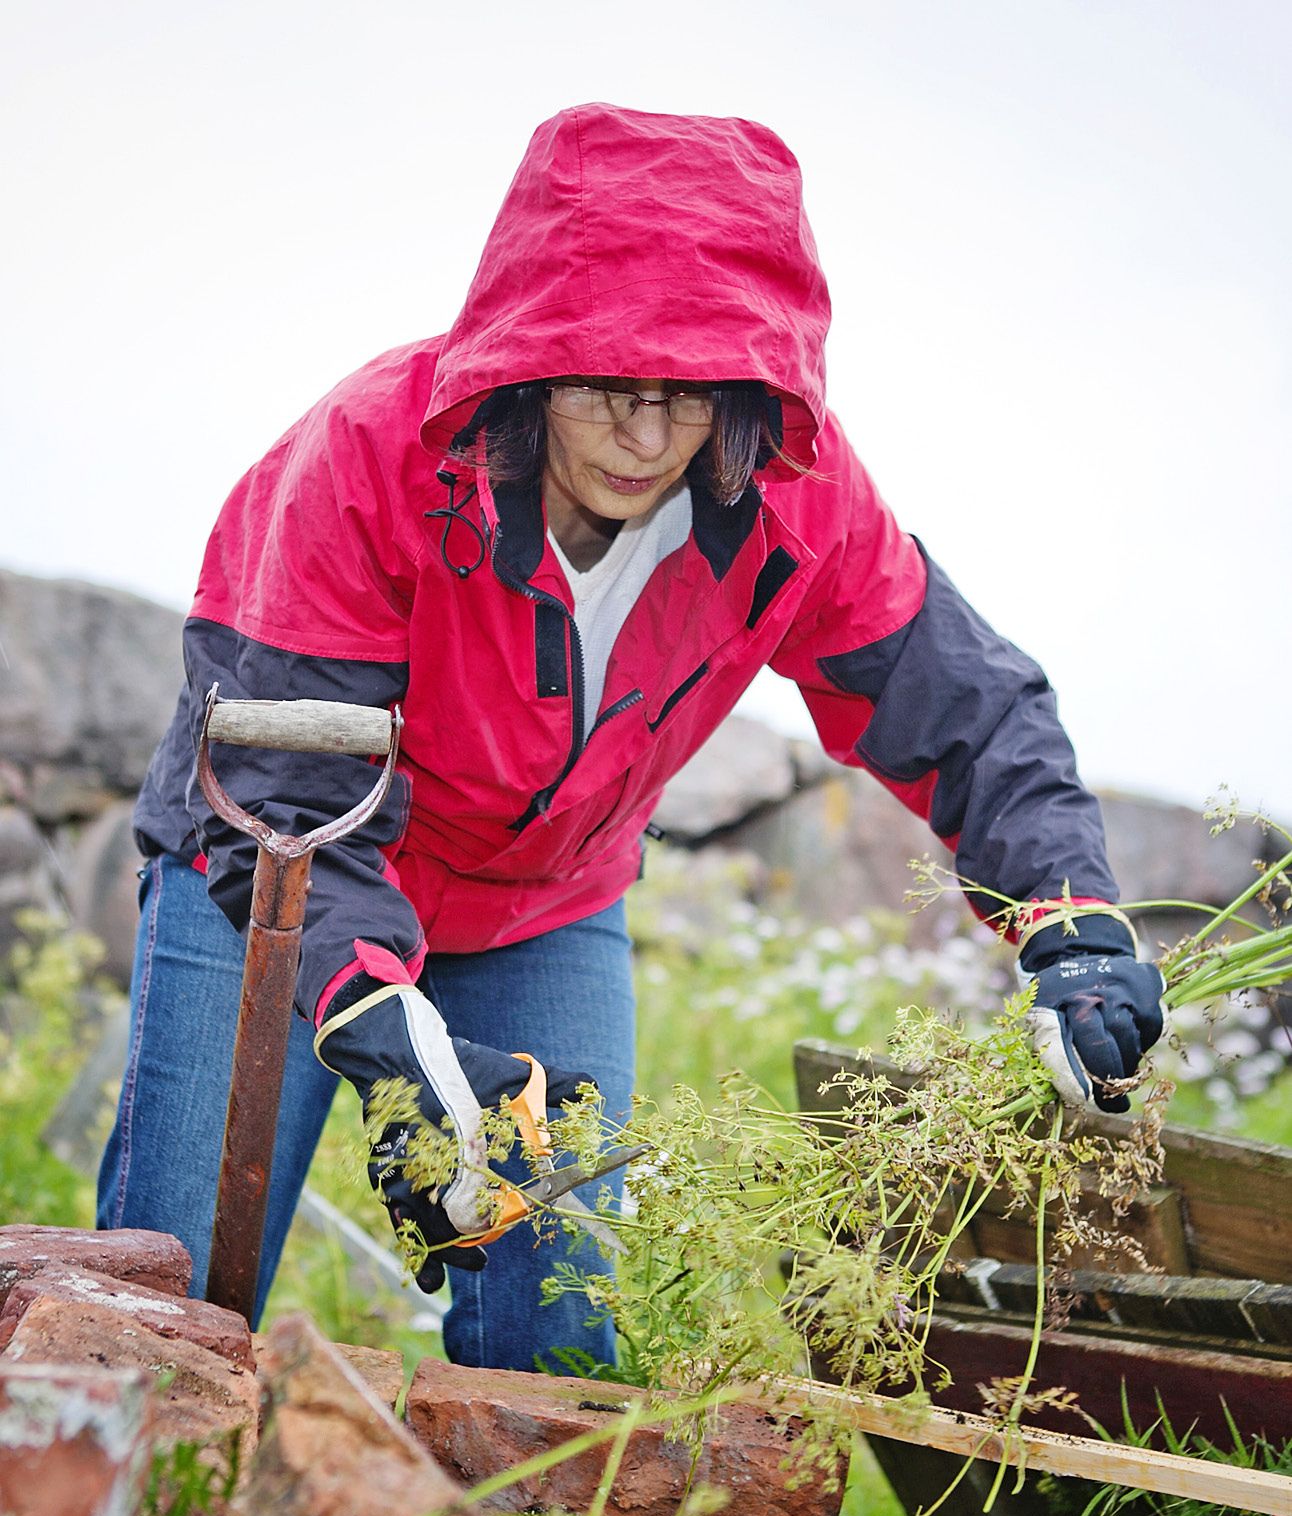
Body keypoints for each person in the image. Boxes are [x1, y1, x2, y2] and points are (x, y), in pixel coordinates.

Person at [98, 103, 1164, 1370]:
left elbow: (971, 710)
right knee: (172, 1299)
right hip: (280, 884)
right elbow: (283, 787)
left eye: (692, 398)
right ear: (532, 355)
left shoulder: (797, 506)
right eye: (610, 386)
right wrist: (377, 1022)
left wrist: (1072, 924)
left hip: (542, 904)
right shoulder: (368, 455)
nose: (647, 439)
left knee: (565, 1324)